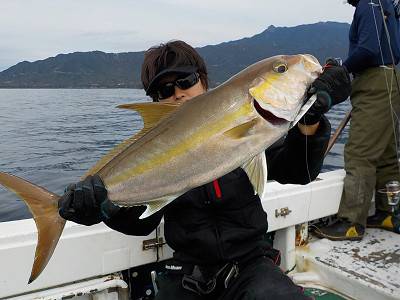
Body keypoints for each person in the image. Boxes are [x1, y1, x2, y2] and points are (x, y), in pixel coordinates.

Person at [59, 40, 351, 299]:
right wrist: (103, 207)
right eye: (164, 89)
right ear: (156, 101)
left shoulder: (257, 128)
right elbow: (141, 222)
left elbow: (299, 171)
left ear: (203, 81)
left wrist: (309, 119)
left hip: (252, 266)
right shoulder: (155, 149)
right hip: (186, 274)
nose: (178, 93)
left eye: (185, 80)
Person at [314, 0, 400, 241]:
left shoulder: (367, 4)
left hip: (374, 83)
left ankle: (351, 222)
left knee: (360, 153)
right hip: (391, 79)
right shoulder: (386, 5)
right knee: (386, 154)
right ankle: (388, 213)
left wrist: (341, 66)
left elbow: (368, 50)